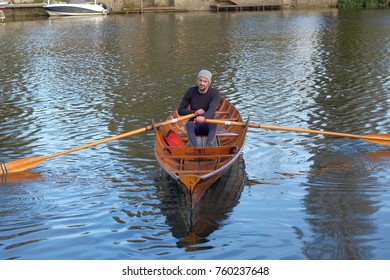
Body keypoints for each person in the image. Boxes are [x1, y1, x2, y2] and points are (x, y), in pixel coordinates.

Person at [178, 69, 221, 147]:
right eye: (200, 80)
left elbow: (212, 108)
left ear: (208, 83)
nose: (202, 83)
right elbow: (180, 110)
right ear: (197, 81)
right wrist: (195, 113)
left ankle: (210, 145)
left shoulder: (215, 93)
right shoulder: (190, 91)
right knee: (189, 124)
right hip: (194, 123)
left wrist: (203, 117)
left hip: (208, 122)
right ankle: (193, 146)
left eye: (205, 81)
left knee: (214, 124)